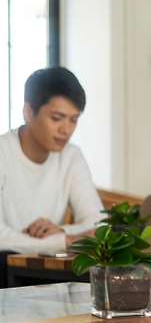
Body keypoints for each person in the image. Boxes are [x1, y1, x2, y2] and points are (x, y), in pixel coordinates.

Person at [0, 67, 105, 285]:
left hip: (46, 268)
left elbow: (98, 223)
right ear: (28, 112)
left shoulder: (71, 156)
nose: (65, 130)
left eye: (73, 120)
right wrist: (65, 241)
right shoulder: (3, 153)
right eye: (57, 118)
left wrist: (62, 231)